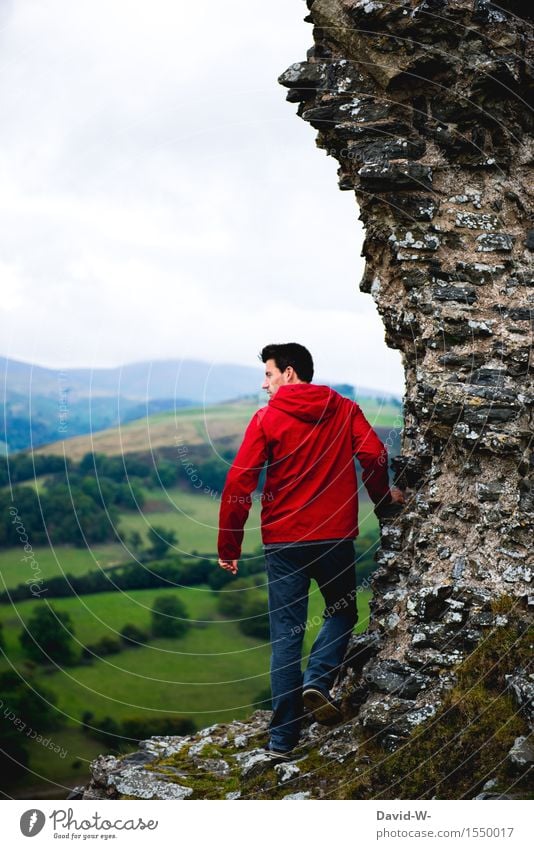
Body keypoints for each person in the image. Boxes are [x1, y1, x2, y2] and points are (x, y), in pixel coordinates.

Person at [217, 342, 405, 762]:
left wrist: (228, 545)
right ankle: (318, 679)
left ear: (289, 372)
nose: (264, 384)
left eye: (268, 374)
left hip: (283, 542)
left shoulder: (267, 418)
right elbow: (374, 454)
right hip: (335, 537)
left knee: (286, 636)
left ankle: (282, 741)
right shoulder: (344, 408)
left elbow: (237, 485)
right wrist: (381, 499)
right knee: (342, 612)